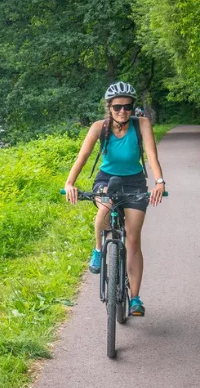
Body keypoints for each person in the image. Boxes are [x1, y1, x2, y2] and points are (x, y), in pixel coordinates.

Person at [64, 81, 165, 316]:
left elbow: (151, 156)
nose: (123, 111)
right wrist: (70, 183)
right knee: (104, 209)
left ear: (133, 107)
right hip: (106, 179)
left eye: (128, 107)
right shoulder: (99, 127)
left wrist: (159, 181)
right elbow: (83, 156)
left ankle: (136, 298)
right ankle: (99, 250)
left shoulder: (142, 125)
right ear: (109, 107)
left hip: (135, 181)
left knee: (133, 239)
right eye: (117, 107)